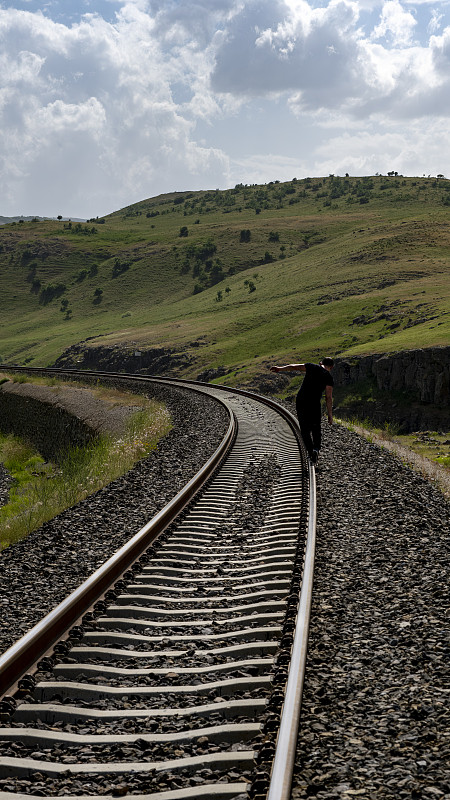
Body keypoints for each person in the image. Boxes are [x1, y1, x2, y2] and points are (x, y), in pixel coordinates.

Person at [270, 357, 334, 465]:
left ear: (320, 363)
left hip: (301, 401)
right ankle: (316, 449)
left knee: (304, 429)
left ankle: (310, 452)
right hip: (314, 403)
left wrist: (280, 369)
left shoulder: (311, 367)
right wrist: (330, 415)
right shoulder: (329, 377)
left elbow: (293, 366)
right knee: (316, 427)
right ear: (331, 367)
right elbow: (328, 397)